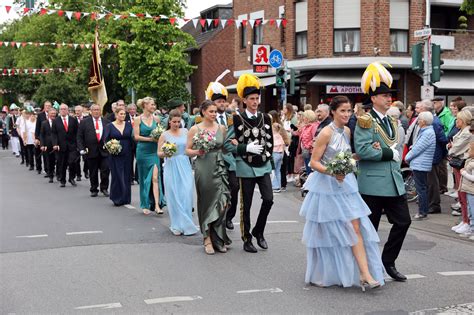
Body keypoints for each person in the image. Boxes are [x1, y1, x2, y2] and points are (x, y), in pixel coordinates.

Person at [300, 95, 384, 290]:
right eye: (342, 111)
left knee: (355, 227)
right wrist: (332, 171)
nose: (347, 114)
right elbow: (314, 162)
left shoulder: (347, 131)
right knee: (329, 232)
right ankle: (326, 271)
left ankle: (364, 273)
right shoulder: (325, 133)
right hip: (326, 188)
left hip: (346, 185)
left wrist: (365, 151)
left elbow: (347, 157)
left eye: (349, 110)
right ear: (333, 113)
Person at [355, 62, 411, 282]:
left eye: (390, 95)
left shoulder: (392, 121)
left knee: (403, 222)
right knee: (370, 230)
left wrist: (388, 152)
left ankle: (388, 261)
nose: (389, 99)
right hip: (372, 184)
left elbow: (393, 146)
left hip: (393, 181)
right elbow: (363, 149)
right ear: (374, 99)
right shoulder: (365, 121)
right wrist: (387, 154)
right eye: (385, 95)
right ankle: (367, 269)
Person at [230, 74, 274, 253]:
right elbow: (227, 144)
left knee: (269, 199)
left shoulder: (266, 118)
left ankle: (259, 231)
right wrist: (245, 148)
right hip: (246, 165)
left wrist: (269, 159)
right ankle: (247, 237)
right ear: (244, 100)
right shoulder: (236, 118)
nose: (256, 102)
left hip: (263, 164)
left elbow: (270, 139)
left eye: (257, 98)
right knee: (246, 204)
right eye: (252, 99)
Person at [186, 100, 231, 254]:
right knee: (206, 202)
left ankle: (218, 237)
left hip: (219, 167)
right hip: (203, 167)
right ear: (203, 112)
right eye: (211, 111)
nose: (214, 114)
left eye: (215, 112)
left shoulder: (222, 128)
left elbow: (225, 148)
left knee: (222, 202)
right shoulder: (195, 129)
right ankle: (207, 239)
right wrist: (198, 151)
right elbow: (187, 150)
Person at [158, 109, 198, 236]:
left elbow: (190, 147)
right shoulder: (164, 135)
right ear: (169, 121)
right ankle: (176, 224)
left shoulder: (186, 131)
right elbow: (158, 153)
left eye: (178, 121)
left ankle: (187, 223)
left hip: (185, 164)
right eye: (174, 121)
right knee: (174, 194)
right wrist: (166, 152)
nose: (176, 124)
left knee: (186, 193)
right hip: (171, 165)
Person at [134, 97, 165, 215]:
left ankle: (157, 205)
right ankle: (145, 204)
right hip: (142, 151)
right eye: (152, 105)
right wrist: (150, 139)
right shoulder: (137, 119)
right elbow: (136, 137)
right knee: (144, 178)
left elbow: (161, 133)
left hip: (154, 151)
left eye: (154, 105)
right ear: (145, 105)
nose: (154, 107)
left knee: (155, 178)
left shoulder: (157, 119)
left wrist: (159, 139)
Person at [405, 111, 436, 220]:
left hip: (420, 164)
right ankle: (423, 211)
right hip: (421, 164)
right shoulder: (426, 131)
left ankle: (422, 212)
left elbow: (418, 149)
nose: (418, 121)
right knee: (422, 188)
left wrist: (407, 157)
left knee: (421, 189)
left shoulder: (427, 133)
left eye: (419, 119)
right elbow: (418, 145)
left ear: (423, 121)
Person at [77, 104, 110, 197]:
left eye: (98, 110)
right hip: (91, 151)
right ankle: (94, 188)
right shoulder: (84, 122)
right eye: (94, 110)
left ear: (100, 111)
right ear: (91, 111)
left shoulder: (106, 122)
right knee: (93, 171)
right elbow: (79, 137)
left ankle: (104, 188)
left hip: (104, 151)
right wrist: (81, 148)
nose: (96, 111)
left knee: (105, 170)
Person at [448, 110, 473, 234]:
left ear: (462, 121)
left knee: (463, 194)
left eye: (457, 119)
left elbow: (455, 149)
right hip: (459, 165)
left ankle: (467, 221)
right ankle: (464, 221)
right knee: (461, 194)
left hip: (462, 165)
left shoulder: (467, 133)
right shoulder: (462, 132)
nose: (455, 121)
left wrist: (451, 148)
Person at [104, 108, 133, 206]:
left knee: (126, 175)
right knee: (117, 175)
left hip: (128, 154)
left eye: (124, 114)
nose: (123, 116)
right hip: (115, 154)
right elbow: (106, 140)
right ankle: (116, 198)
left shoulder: (129, 125)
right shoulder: (109, 126)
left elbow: (132, 138)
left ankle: (126, 198)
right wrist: (112, 147)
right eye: (121, 114)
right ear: (116, 115)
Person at [52, 104, 79, 188]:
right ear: (59, 111)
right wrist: (55, 144)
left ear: (68, 110)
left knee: (72, 162)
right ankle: (62, 180)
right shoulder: (56, 121)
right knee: (62, 164)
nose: (63, 110)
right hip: (61, 146)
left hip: (72, 145)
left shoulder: (73, 120)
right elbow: (54, 133)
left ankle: (71, 178)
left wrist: (78, 144)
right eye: (61, 109)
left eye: (65, 109)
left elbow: (77, 132)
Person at [460, 141, 474, 240]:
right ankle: (471, 228)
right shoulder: (470, 160)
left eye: (469, 149)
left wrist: (464, 173)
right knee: (470, 209)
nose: (468, 151)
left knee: (473, 210)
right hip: (469, 189)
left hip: (472, 190)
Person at [299, 110, 319, 175]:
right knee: (308, 170)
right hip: (306, 151)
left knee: (310, 171)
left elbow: (315, 138)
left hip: (311, 152)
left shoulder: (314, 126)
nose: (303, 118)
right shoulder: (306, 126)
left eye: (304, 117)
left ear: (308, 118)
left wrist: (307, 146)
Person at [281, 104, 298, 184]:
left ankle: (291, 174)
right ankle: (288, 173)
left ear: (288, 109)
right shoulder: (284, 117)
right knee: (286, 157)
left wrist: (290, 130)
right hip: (284, 138)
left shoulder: (293, 118)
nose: (283, 110)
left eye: (284, 108)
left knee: (290, 157)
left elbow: (295, 128)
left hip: (291, 138)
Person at [39, 107, 57, 183]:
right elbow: (42, 135)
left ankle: (59, 174)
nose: (53, 115)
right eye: (51, 114)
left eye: (54, 114)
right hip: (47, 145)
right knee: (49, 161)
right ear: (48, 115)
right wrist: (42, 145)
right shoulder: (44, 123)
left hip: (57, 145)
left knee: (59, 161)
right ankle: (51, 176)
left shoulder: (58, 122)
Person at [34, 101, 52, 176]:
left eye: (49, 106)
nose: (47, 107)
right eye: (46, 106)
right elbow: (37, 127)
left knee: (53, 155)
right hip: (44, 138)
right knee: (45, 154)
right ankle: (47, 170)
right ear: (44, 107)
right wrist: (37, 138)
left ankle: (52, 169)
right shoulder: (40, 115)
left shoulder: (55, 114)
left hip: (53, 138)